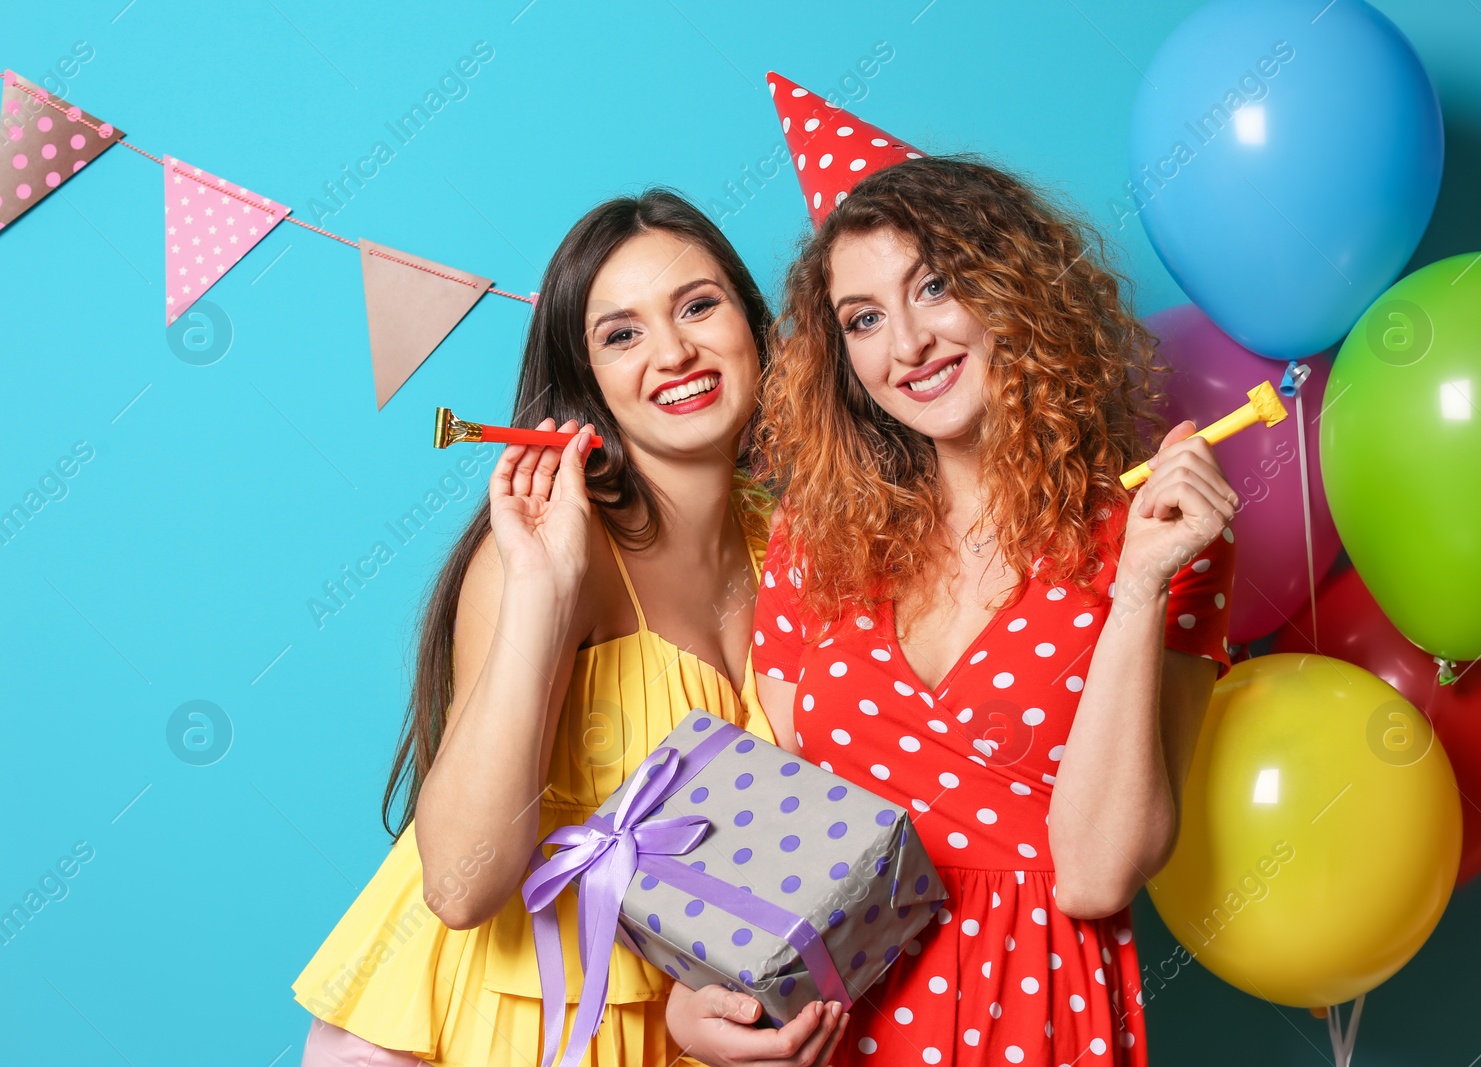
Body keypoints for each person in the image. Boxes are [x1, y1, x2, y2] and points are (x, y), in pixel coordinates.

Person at [292, 189, 846, 1067]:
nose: (672, 351)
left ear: (753, 321)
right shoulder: (543, 556)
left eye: (698, 305)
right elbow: (462, 886)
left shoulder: (792, 542)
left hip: (673, 1026)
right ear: (586, 380)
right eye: (621, 333)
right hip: (505, 1019)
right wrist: (544, 594)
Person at [744, 155, 1239, 1065]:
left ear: (1015, 285)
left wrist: (1137, 586)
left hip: (1036, 1010)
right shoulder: (814, 536)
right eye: (864, 319)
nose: (907, 345)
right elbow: (777, 838)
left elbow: (1096, 874)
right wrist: (707, 1007)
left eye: (934, 287)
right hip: (833, 1018)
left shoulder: (1157, 535)